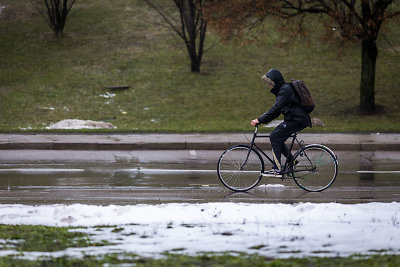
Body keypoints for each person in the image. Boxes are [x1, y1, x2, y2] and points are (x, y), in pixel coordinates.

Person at [251, 68, 312, 176]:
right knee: (277, 138)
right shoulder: (283, 90)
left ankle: (277, 169)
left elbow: (276, 109)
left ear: (275, 81)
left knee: (274, 137)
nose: (268, 85)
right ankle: (292, 161)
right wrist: (261, 121)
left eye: (269, 83)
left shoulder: (285, 90)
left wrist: (259, 119)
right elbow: (277, 112)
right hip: (295, 119)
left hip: (297, 120)